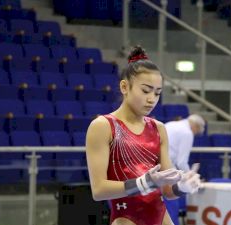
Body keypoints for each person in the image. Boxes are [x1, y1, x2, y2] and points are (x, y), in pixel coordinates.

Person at [85, 45, 202, 225]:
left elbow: (167, 191)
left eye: (157, 93)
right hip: (126, 218)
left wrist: (182, 186)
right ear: (125, 86)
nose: (151, 99)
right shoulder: (103, 126)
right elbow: (99, 190)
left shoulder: (158, 128)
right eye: (145, 91)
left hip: (160, 216)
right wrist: (144, 183)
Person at [163, 114, 205, 225]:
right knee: (171, 204)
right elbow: (181, 162)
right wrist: (190, 176)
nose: (195, 134)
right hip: (166, 170)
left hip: (155, 168)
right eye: (197, 132)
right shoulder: (187, 133)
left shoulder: (171, 124)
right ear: (195, 127)